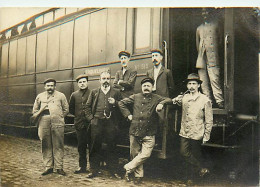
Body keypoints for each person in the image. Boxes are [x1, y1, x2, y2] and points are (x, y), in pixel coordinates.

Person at [118, 77, 172, 184]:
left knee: (146, 154)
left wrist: (162, 103)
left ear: (153, 87)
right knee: (135, 154)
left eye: (148, 86)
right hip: (135, 131)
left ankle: (128, 168)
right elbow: (121, 103)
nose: (146, 88)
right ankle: (138, 176)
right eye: (144, 86)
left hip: (149, 132)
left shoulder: (157, 98)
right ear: (141, 87)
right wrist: (128, 115)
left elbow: (169, 99)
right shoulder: (136, 97)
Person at [172, 73, 213, 183]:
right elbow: (175, 101)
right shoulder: (185, 97)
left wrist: (206, 135)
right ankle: (201, 169)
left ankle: (192, 178)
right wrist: (176, 99)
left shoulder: (205, 100)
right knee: (184, 153)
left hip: (197, 131)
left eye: (194, 83)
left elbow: (209, 120)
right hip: (185, 131)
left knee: (195, 155)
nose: (191, 86)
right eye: (189, 83)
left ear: (198, 85)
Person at [85, 71, 122, 178]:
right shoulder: (94, 92)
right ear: (100, 80)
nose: (106, 81)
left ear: (110, 80)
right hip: (96, 122)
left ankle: (113, 170)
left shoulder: (116, 92)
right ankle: (93, 170)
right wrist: (91, 119)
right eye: (103, 78)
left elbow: (122, 105)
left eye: (107, 78)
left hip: (110, 123)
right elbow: (87, 107)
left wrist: (115, 102)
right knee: (94, 146)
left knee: (112, 146)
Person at [32, 78, 69, 176]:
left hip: (57, 122)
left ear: (55, 86)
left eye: (52, 85)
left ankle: (59, 167)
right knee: (46, 144)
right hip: (43, 121)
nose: (50, 87)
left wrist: (59, 117)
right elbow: (34, 111)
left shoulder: (61, 95)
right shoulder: (40, 96)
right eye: (48, 85)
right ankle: (48, 167)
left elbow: (66, 109)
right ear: (45, 87)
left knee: (58, 144)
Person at [196, 8, 224, 108]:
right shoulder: (199, 28)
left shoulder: (216, 25)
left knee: (214, 78)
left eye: (207, 11)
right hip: (202, 58)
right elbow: (197, 45)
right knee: (203, 81)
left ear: (210, 13)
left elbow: (220, 42)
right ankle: (208, 102)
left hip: (213, 57)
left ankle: (219, 101)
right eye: (203, 12)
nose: (205, 14)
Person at [69, 74, 91, 174]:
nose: (82, 84)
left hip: (91, 125)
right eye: (80, 82)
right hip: (79, 124)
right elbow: (71, 109)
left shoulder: (93, 93)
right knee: (81, 146)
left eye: (84, 82)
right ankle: (82, 167)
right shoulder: (74, 95)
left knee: (92, 146)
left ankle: (93, 167)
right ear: (78, 84)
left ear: (87, 82)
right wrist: (79, 116)